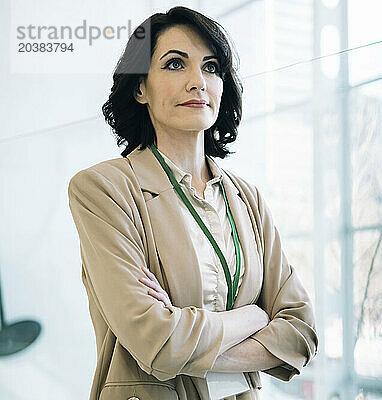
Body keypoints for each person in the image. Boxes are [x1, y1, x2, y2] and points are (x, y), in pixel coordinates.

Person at [67, 6, 318, 400]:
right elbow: (158, 341)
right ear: (140, 88)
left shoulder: (248, 199)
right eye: (174, 64)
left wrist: (188, 339)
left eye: (212, 67)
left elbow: (301, 334)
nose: (198, 82)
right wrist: (252, 317)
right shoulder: (103, 189)